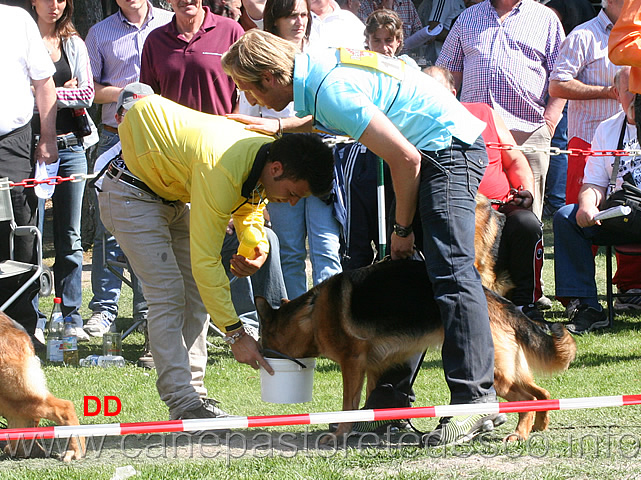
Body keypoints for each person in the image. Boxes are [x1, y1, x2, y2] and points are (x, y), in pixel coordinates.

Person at [222, 29, 500, 447]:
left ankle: (473, 405)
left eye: (248, 89)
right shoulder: (318, 71)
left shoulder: (329, 87)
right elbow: (336, 111)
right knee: (404, 276)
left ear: (269, 77)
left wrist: (402, 230)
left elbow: (405, 159)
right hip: (429, 151)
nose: (251, 99)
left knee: (451, 271)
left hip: (446, 150)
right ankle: (389, 405)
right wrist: (279, 123)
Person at [99, 87, 334, 420]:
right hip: (128, 193)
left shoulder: (260, 154)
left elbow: (250, 202)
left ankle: (194, 397)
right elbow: (206, 263)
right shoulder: (221, 165)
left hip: (171, 195)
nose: (293, 202)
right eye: (294, 193)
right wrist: (236, 334)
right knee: (168, 293)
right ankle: (183, 404)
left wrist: (255, 245)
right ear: (278, 168)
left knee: (194, 294)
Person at [84, 0, 172, 351]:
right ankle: (104, 308)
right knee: (110, 226)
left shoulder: (169, 23)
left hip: (162, 138)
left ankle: (146, 309)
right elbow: (88, 89)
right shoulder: (99, 33)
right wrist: (129, 93)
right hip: (114, 135)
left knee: (154, 222)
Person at [425, 65, 544, 320]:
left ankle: (527, 304)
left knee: (527, 223)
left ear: (453, 92)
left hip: (501, 210)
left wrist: (526, 192)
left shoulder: (483, 113)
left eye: (439, 91)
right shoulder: (417, 126)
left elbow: (516, 161)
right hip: (457, 211)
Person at [436, 0, 566, 220]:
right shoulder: (467, 18)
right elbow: (446, 76)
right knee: (476, 219)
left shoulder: (546, 19)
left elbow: (562, 75)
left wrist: (550, 122)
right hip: (477, 137)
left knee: (527, 221)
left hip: (528, 133)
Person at [30, 0, 97, 342]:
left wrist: (42, 92)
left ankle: (71, 315)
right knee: (31, 235)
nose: (54, 5)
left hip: (71, 147)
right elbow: (12, 95)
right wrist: (59, 91)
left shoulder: (74, 43)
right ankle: (32, 317)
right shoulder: (21, 41)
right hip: (30, 150)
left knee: (70, 237)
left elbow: (87, 93)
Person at [553, 67, 638, 334]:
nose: (636, 97)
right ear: (617, 94)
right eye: (630, 91)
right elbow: (593, 183)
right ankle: (586, 306)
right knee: (567, 216)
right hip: (620, 212)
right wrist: (588, 205)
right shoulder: (608, 128)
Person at [0, 3, 57, 343]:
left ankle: (23, 327)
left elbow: (44, 84)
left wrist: (48, 139)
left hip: (12, 141)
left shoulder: (17, 20)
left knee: (19, 231)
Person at [549, 0, 622, 207]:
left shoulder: (635, 35)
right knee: (583, 214)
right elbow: (557, 85)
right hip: (588, 141)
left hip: (630, 143)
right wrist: (606, 92)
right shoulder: (583, 35)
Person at [140, 0, 244, 115]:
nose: (186, 0)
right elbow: (147, 95)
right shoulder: (155, 41)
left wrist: (235, 119)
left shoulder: (231, 30)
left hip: (221, 129)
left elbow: (250, 84)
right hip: (174, 131)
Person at [356, 0, 422, 54]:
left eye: (389, 40)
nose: (383, 48)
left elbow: (418, 30)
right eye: (377, 41)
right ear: (368, 42)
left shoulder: (407, 4)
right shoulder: (364, 5)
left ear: (398, 42)